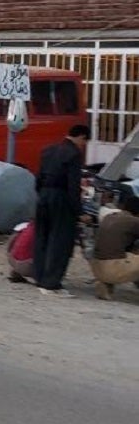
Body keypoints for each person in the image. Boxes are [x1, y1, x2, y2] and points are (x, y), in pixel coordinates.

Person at [32, 123, 90, 295]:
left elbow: (39, 177)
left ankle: (40, 277)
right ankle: (52, 283)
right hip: (61, 199)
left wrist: (42, 195)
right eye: (84, 142)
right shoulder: (73, 155)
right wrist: (79, 212)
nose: (84, 145)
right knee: (60, 241)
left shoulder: (48, 150)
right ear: (81, 137)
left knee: (42, 237)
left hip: (43, 196)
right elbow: (73, 187)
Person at [90, 189, 139, 300]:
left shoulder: (109, 217)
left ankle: (105, 284)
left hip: (97, 267)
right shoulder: (134, 221)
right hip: (113, 268)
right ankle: (109, 281)